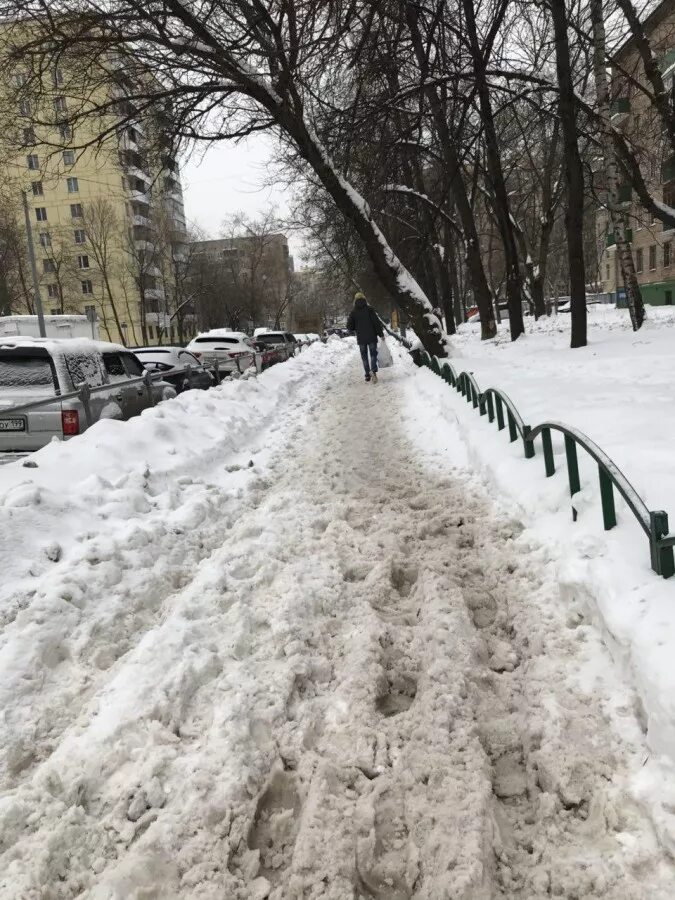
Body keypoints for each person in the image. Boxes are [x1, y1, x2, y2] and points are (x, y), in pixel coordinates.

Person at [347, 291, 384, 382]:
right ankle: (373, 371)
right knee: (373, 354)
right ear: (364, 299)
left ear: (355, 301)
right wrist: (381, 334)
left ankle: (367, 375)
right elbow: (376, 323)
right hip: (371, 337)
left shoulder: (353, 312)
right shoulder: (370, 309)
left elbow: (349, 327)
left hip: (361, 338)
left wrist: (355, 325)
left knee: (364, 357)